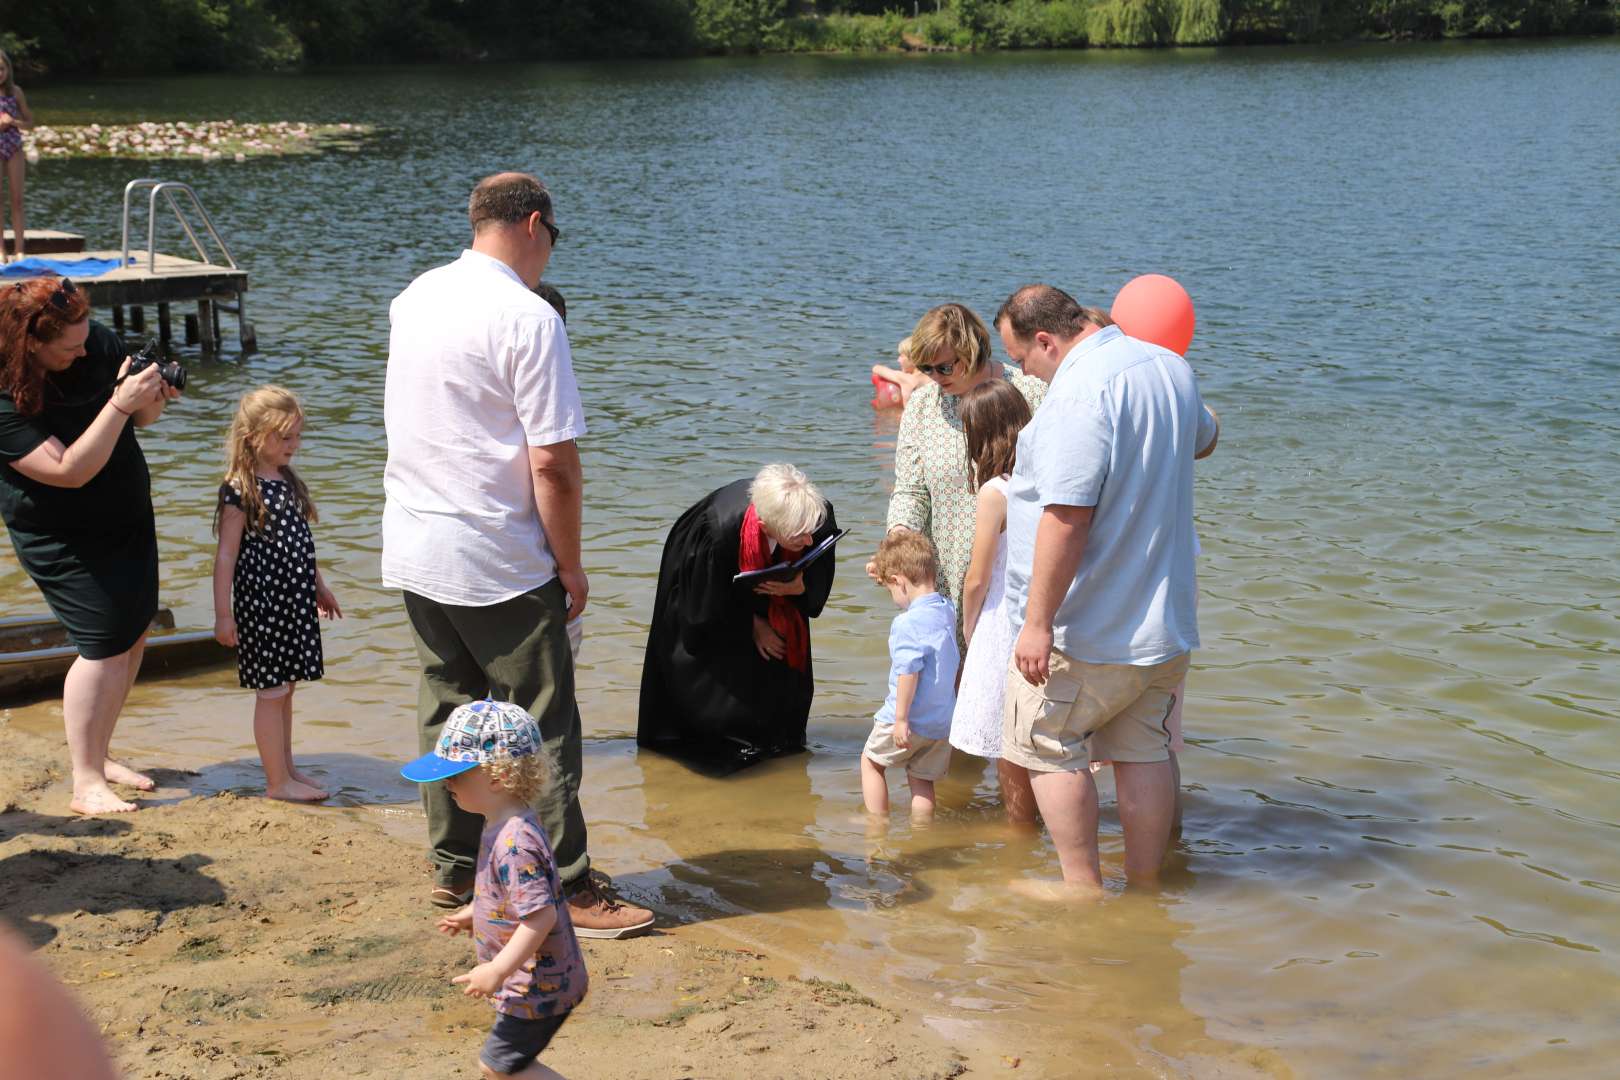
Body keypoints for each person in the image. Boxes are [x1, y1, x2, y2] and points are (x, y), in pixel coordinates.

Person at [383, 171, 651, 937]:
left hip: (414, 539)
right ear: (535, 224)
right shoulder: (530, 318)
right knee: (540, 722)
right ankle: (567, 882)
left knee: (448, 709)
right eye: (552, 240)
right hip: (494, 550)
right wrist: (570, 565)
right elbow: (553, 464)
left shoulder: (415, 296)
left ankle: (456, 870)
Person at [993, 284, 1217, 897]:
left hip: (1088, 623)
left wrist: (1036, 623)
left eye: (1020, 358)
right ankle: (1144, 886)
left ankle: (1080, 886)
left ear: (1047, 340)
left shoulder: (1079, 391)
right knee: (1142, 748)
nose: (1021, 371)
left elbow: (1067, 516)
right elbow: (1206, 437)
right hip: (1161, 621)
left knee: (1047, 743)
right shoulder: (1170, 367)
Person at [0, 278, 178, 814]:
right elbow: (68, 471)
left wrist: (152, 398)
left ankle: (100, 758)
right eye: (70, 347)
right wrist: (121, 407)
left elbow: (142, 420)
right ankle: (84, 782)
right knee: (101, 642)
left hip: (125, 510)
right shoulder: (2, 396)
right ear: (30, 342)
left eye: (85, 340)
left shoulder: (96, 342)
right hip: (59, 529)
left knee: (133, 630)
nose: (85, 350)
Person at [876, 302, 1045, 819]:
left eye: (944, 367)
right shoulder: (925, 407)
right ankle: (963, 819)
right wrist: (896, 548)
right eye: (925, 368)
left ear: (973, 353)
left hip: (1009, 583)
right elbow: (910, 492)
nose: (933, 377)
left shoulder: (1030, 393)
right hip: (944, 582)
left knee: (1011, 709)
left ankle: (1019, 820)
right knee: (949, 708)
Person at [401, 699, 586, 1080]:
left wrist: (498, 970)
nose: (446, 783)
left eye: (456, 774)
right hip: (531, 981)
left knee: (498, 1066)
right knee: (505, 1065)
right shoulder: (500, 822)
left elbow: (541, 915)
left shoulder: (514, 842)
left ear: (497, 776)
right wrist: (476, 912)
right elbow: (513, 894)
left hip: (539, 985)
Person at [637, 463, 839, 772]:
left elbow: (819, 560)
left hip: (780, 597)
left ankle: (777, 742)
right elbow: (702, 606)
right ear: (767, 524)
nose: (809, 541)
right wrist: (752, 623)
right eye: (798, 536)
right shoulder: (716, 531)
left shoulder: (814, 517)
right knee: (721, 679)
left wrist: (802, 586)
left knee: (781, 672)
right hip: (706, 587)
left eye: (810, 532)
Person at [211, 386, 342, 803]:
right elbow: (226, 556)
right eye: (284, 437)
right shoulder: (240, 486)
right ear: (254, 436)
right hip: (262, 607)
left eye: (296, 437)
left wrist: (318, 586)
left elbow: (299, 542)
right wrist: (223, 615)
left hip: (293, 602)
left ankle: (286, 768)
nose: (293, 446)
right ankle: (275, 783)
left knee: (286, 690)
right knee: (270, 693)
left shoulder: (286, 480)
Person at [947, 378, 1036, 822]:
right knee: (1037, 734)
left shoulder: (994, 492)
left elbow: (977, 576)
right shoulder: (1041, 479)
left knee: (1007, 738)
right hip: (1042, 611)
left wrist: (969, 629)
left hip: (1002, 618)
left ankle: (1019, 834)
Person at [862, 529, 958, 820]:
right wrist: (883, 571)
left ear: (898, 581)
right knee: (921, 779)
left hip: (909, 718)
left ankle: (876, 824)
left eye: (890, 589)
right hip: (941, 721)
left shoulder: (907, 623)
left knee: (871, 763)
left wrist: (901, 719)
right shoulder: (947, 609)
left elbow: (908, 673)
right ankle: (921, 833)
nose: (893, 597)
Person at [0, 52, 32, 263]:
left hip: (14, 147)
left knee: (17, 200)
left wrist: (13, 121)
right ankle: (1, 251)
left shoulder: (15, 92)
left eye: (2, 69)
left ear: (8, 70)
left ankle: (19, 250)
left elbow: (30, 122)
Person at [870, 335, 926, 409]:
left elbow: (876, 368)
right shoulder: (934, 377)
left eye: (901, 356)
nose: (898, 360)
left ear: (913, 359)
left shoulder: (906, 378)